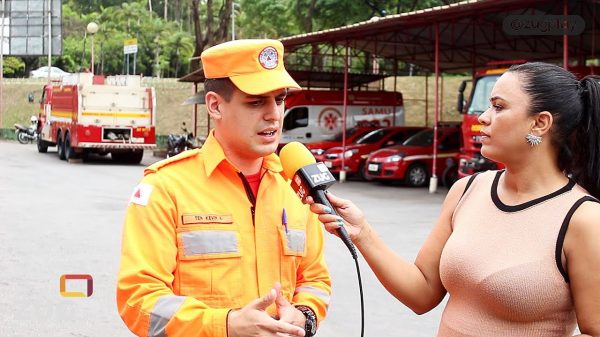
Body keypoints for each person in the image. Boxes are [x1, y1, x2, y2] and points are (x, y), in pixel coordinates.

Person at [309, 62, 600, 337]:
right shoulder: (466, 190)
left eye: (498, 107)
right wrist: (364, 234)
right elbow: (422, 292)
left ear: (539, 123)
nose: (483, 117)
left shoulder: (584, 218)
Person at [117, 39, 331, 337]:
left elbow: (315, 279)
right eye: (256, 102)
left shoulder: (294, 187)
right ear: (215, 105)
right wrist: (225, 325)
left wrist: (304, 315)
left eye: (279, 99)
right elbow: (138, 299)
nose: (273, 114)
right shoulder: (166, 187)